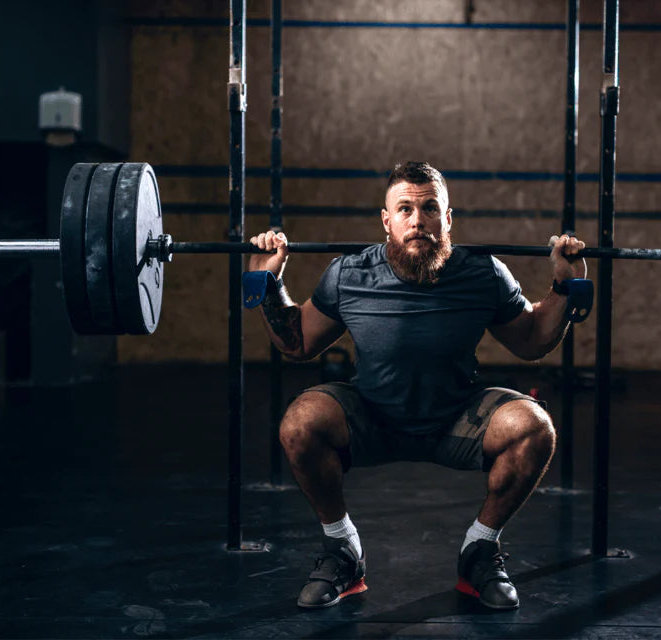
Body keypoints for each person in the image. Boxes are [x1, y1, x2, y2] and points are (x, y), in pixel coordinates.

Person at [248, 161, 588, 610]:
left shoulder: (482, 273)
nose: (418, 219)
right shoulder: (350, 273)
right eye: (405, 209)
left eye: (430, 208)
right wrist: (269, 281)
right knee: (299, 424)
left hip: (457, 420)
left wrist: (566, 287)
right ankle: (342, 550)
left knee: (534, 428)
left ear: (447, 219)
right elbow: (298, 342)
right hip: (371, 418)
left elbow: (530, 341)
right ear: (386, 221)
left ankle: (480, 550)